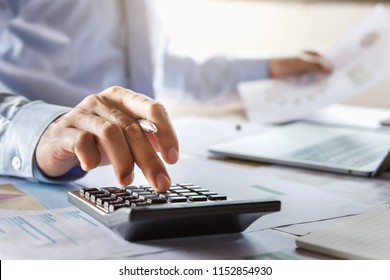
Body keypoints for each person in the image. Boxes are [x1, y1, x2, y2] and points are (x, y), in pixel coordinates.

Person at [0, 0, 332, 191]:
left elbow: (155, 68)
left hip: (131, 177)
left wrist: (267, 69)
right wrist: (41, 131)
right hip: (31, 171)